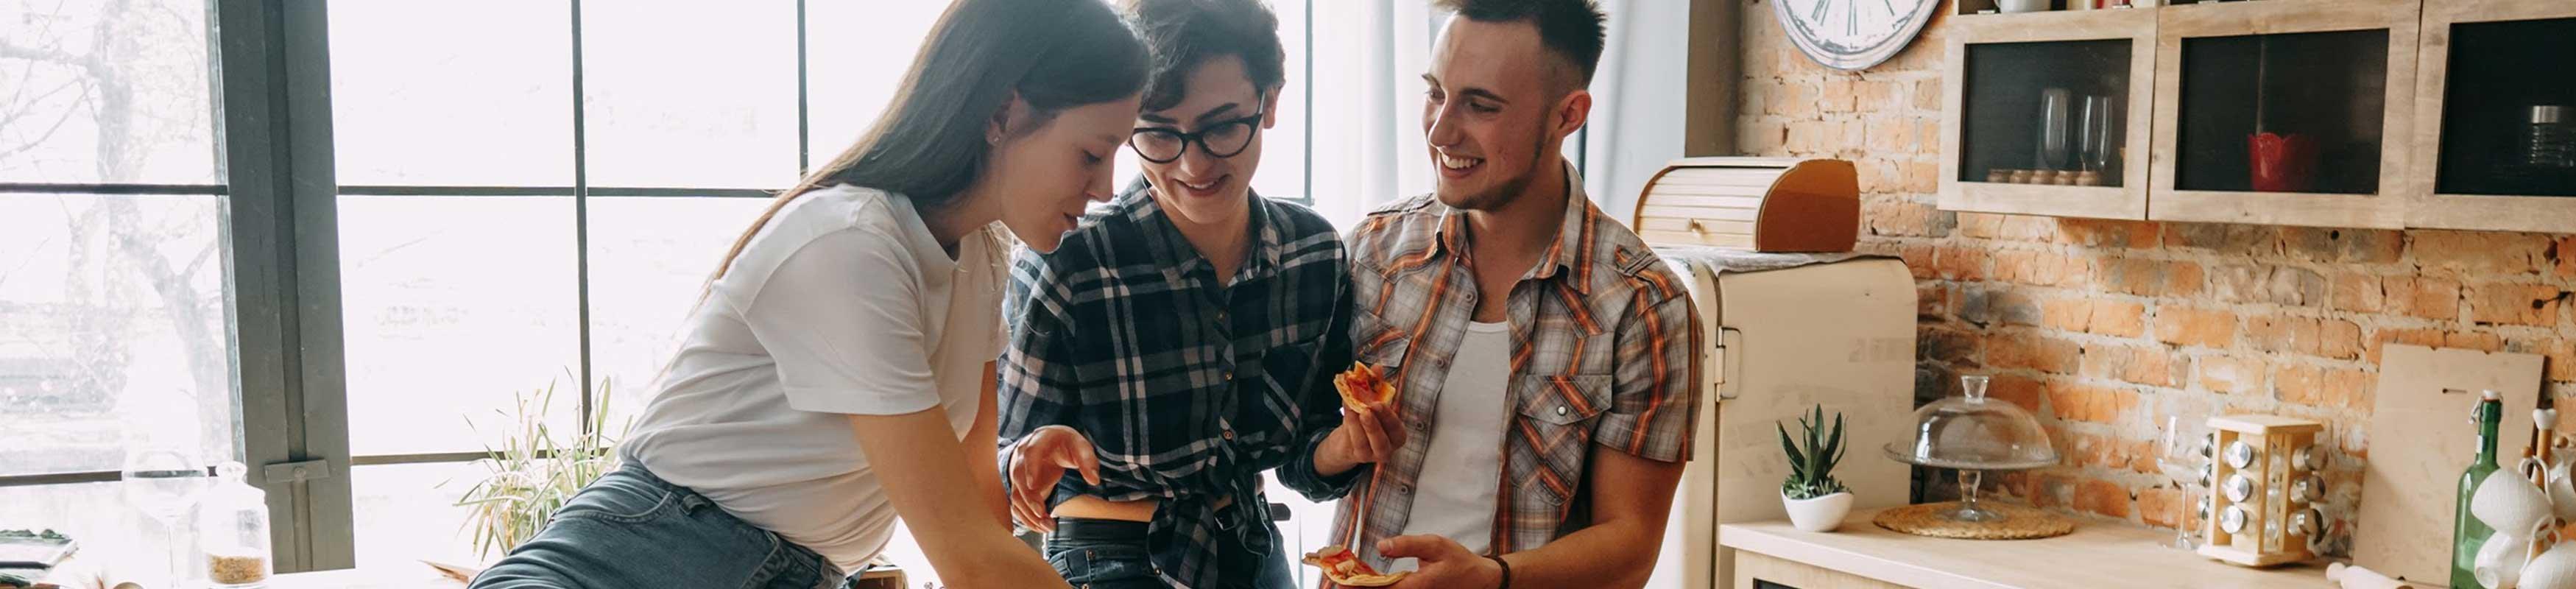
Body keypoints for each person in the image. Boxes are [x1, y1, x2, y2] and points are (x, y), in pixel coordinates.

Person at [465, 0, 1145, 587]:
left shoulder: (982, 261)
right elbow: (969, 557)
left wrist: (1016, 479)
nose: (1108, 188)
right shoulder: (851, 244)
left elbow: (976, 515)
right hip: (632, 562)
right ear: (1003, 112)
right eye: (1092, 153)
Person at [995, 1, 1408, 588]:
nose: (1193, 163)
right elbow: (1003, 456)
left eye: (1220, 126)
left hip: (1249, 547)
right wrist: (1021, 461)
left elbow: (1303, 457)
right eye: (1158, 132)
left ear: (1270, 103)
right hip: (1107, 557)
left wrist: (1346, 445)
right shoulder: (1067, 255)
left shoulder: (1312, 252)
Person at [1327, 1, 1702, 588]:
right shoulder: (1374, 254)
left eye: (1480, 105)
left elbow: (1632, 543)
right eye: (1435, 92)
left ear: (1567, 115)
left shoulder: (1643, 305)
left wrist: (1492, 577)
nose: (1440, 130)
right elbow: (1305, 458)